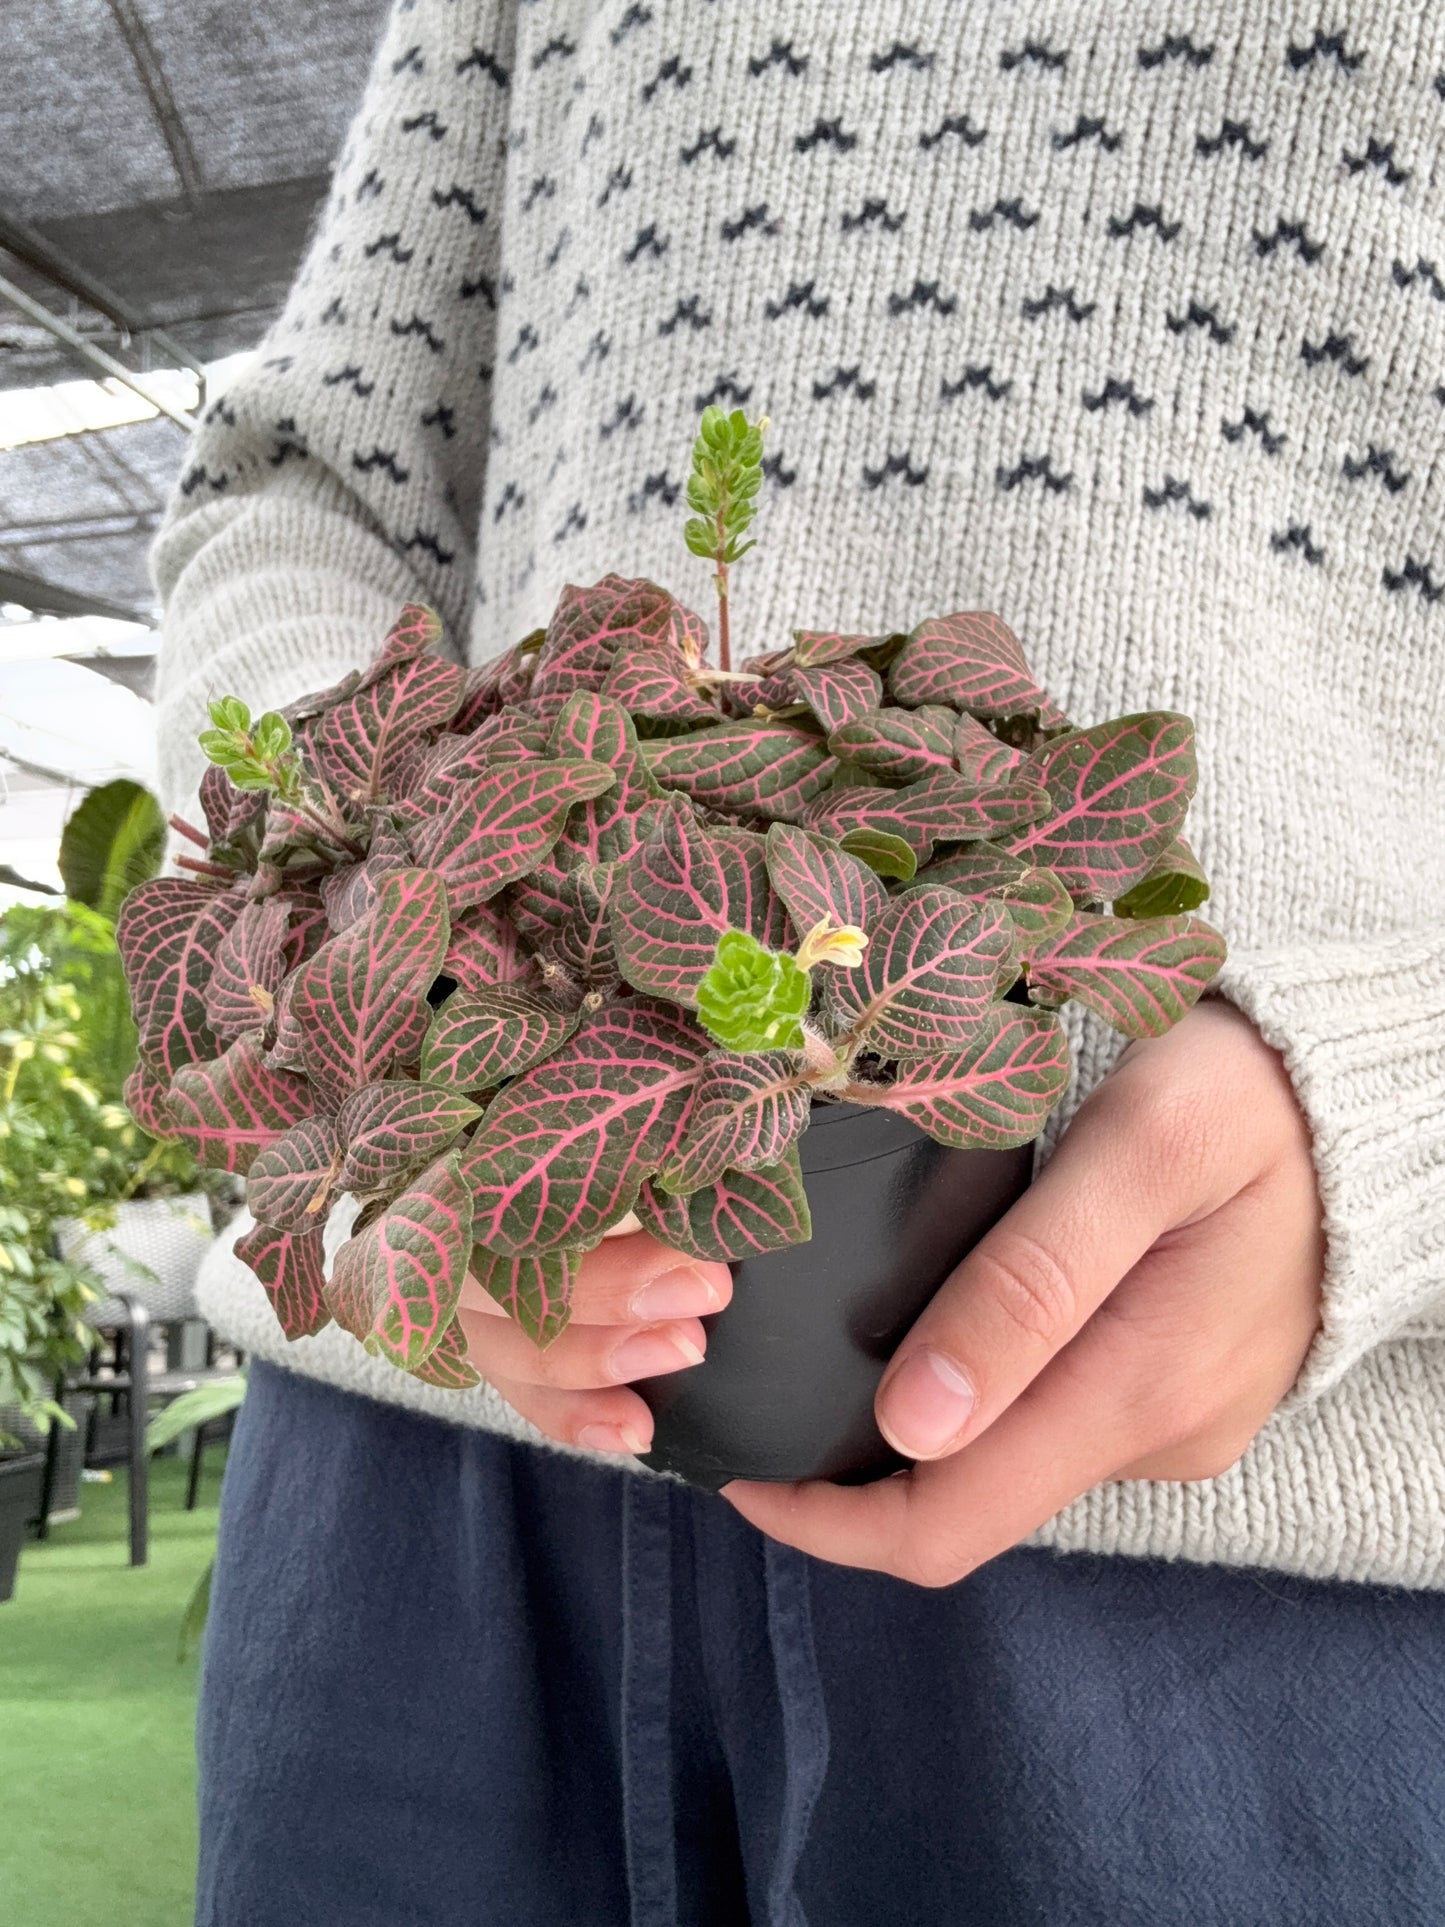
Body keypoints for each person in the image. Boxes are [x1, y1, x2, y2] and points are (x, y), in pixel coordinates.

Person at [156, 4, 1445, 1922]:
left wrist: (1396, 1121)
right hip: (423, 1490)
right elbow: (300, 491)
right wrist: (395, 956)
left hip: (1250, 1566)